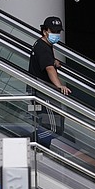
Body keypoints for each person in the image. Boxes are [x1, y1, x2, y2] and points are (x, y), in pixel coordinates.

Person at [27, 16, 70, 148]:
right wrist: (59, 86)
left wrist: (54, 61)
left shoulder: (43, 45)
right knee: (54, 128)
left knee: (55, 125)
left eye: (58, 32)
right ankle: (30, 142)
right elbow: (49, 69)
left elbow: (48, 62)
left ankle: (40, 147)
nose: (56, 35)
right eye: (53, 31)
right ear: (45, 31)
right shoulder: (44, 48)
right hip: (42, 92)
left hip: (40, 90)